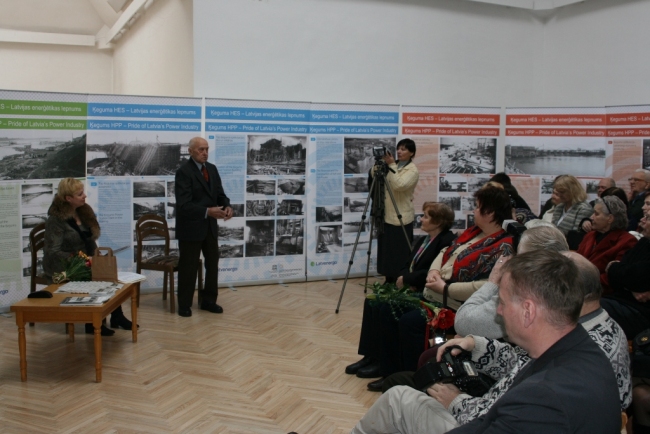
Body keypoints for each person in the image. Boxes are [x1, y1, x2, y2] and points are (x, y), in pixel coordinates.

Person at [350, 251, 623, 434]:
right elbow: (520, 365)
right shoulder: (574, 347)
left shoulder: (543, 397)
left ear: (528, 311)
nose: (499, 312)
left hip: (478, 417)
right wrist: (477, 345)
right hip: (484, 414)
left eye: (502, 302)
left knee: (398, 398)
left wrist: (456, 401)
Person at [358, 186, 513, 392]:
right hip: (435, 294)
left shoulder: (504, 246)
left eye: (477, 207)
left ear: (490, 213)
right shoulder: (473, 233)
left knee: (409, 321)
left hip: (455, 304)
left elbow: (487, 285)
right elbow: (445, 252)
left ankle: (412, 377)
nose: (474, 211)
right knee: (385, 308)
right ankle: (386, 368)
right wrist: (434, 271)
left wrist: (446, 288)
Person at [345, 202, 457, 382]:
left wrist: (408, 280)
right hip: (412, 286)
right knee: (372, 301)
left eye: (426, 216)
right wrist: (404, 277)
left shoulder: (446, 241)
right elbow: (407, 264)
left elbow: (434, 271)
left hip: (425, 291)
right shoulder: (424, 240)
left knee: (387, 309)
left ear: (438, 221)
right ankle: (371, 355)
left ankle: (386, 365)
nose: (421, 219)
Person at [43, 178, 133, 336]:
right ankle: (93, 323)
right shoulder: (55, 220)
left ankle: (116, 316)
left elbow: (89, 240)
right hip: (62, 264)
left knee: (107, 273)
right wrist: (82, 259)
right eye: (80, 194)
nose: (84, 196)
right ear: (68, 198)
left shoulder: (83, 211)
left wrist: (98, 258)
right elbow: (53, 251)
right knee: (97, 278)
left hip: (83, 260)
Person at [175, 137, 232, 317]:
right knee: (188, 267)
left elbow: (220, 194)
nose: (205, 153)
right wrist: (207, 211)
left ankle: (209, 301)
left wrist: (227, 206)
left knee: (212, 265)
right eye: (201, 149)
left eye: (206, 149)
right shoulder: (183, 172)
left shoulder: (212, 169)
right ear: (190, 151)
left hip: (209, 227)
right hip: (190, 228)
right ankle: (184, 304)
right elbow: (183, 205)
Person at [601, 192, 650, 339]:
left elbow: (637, 275)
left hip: (640, 312)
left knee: (586, 308)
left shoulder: (628, 240)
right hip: (622, 300)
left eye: (648, 218)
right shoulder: (644, 242)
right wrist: (630, 284)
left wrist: (616, 270)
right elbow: (619, 274)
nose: (642, 220)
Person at [370, 138, 419, 284]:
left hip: (400, 217)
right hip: (385, 215)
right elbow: (373, 175)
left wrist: (391, 165)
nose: (399, 151)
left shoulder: (412, 170)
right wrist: (380, 163)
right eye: (398, 148)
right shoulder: (393, 164)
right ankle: (388, 279)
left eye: (404, 149)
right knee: (386, 251)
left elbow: (399, 185)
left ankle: (400, 280)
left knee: (399, 252)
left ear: (412, 153)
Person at [576, 196, 637, 292]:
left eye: (596, 214)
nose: (591, 217)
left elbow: (614, 276)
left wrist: (585, 285)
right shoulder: (590, 235)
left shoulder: (627, 241)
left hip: (599, 291)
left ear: (610, 218)